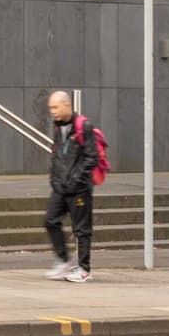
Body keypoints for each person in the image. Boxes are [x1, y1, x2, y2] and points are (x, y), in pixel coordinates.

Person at [44, 86, 106, 282]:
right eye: (51, 108)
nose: (53, 111)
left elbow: (91, 157)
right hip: (61, 187)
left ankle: (84, 269)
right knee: (50, 220)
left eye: (55, 107)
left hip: (79, 189)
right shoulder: (57, 126)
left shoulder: (83, 126)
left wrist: (75, 179)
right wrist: (55, 179)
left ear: (67, 105)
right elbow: (57, 154)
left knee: (81, 229)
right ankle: (64, 261)